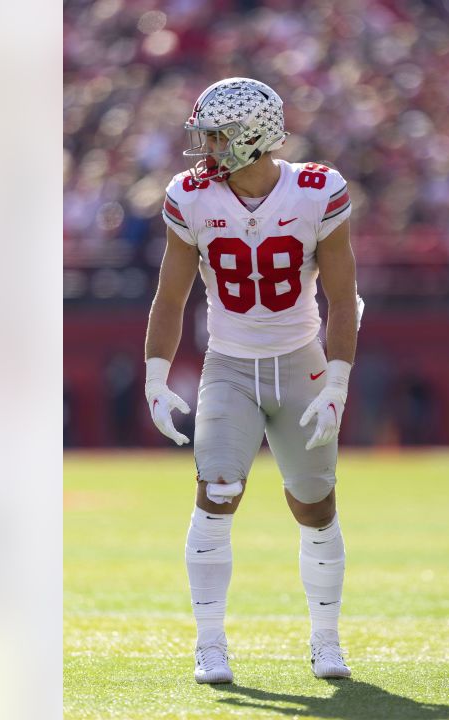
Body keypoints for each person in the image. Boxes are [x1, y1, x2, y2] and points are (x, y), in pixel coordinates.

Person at [142, 77, 358, 684]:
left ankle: (326, 638)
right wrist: (155, 376)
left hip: (300, 362)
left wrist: (336, 383)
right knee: (215, 492)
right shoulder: (191, 196)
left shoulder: (319, 190)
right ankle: (210, 643)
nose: (204, 147)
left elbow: (344, 299)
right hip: (229, 366)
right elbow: (170, 294)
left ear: (253, 138)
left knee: (314, 505)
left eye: (217, 135)